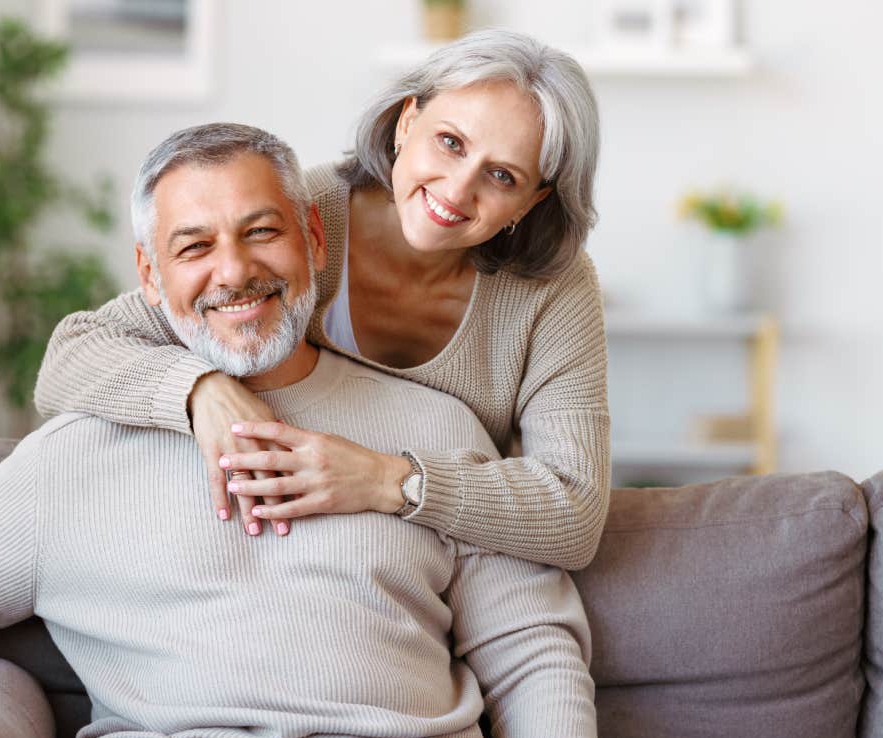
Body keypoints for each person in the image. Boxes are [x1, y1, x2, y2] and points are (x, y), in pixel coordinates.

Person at [0, 124, 597, 738]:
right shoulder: (73, 455)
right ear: (148, 274)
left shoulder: (434, 433)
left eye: (261, 232)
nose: (235, 270)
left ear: (315, 239)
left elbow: (530, 649)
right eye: (194, 246)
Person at [34, 30, 610, 569]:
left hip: (451, 559)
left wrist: (386, 480)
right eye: (450, 142)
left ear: (533, 201)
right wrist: (198, 391)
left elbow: (577, 515)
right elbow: (74, 353)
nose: (457, 190)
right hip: (297, 546)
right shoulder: (298, 217)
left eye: (503, 176)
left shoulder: (555, 290)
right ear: (407, 121)